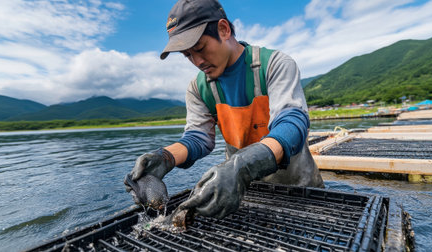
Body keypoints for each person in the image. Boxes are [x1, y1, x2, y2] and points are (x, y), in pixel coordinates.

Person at [125, 0, 323, 219]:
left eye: (200, 48)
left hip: (302, 192)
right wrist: (165, 157)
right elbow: (198, 138)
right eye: (188, 55)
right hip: (244, 196)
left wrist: (242, 167)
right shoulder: (198, 88)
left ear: (224, 29)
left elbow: (292, 123)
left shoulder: (275, 64)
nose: (197, 61)